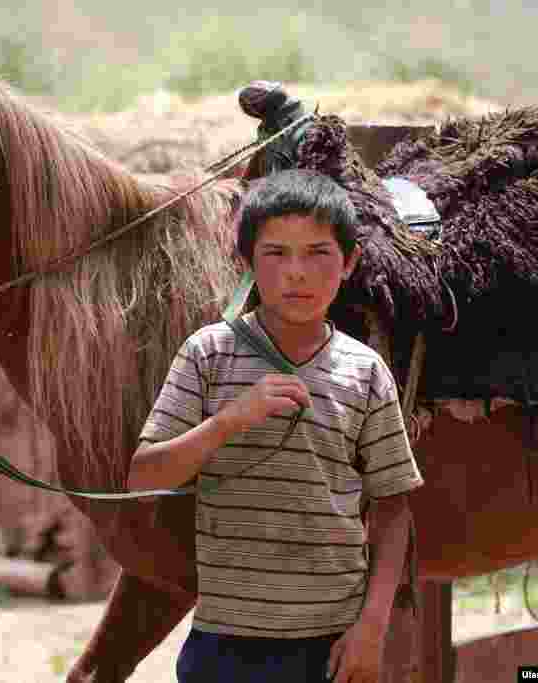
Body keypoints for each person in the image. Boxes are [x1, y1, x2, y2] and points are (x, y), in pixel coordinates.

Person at [128, 169, 423, 683]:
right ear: (245, 262)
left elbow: (393, 507)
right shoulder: (208, 354)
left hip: (331, 647)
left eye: (318, 253)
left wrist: (371, 629)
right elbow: (143, 478)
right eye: (276, 253)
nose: (297, 273)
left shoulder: (365, 370)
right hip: (225, 645)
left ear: (349, 262)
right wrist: (228, 421)